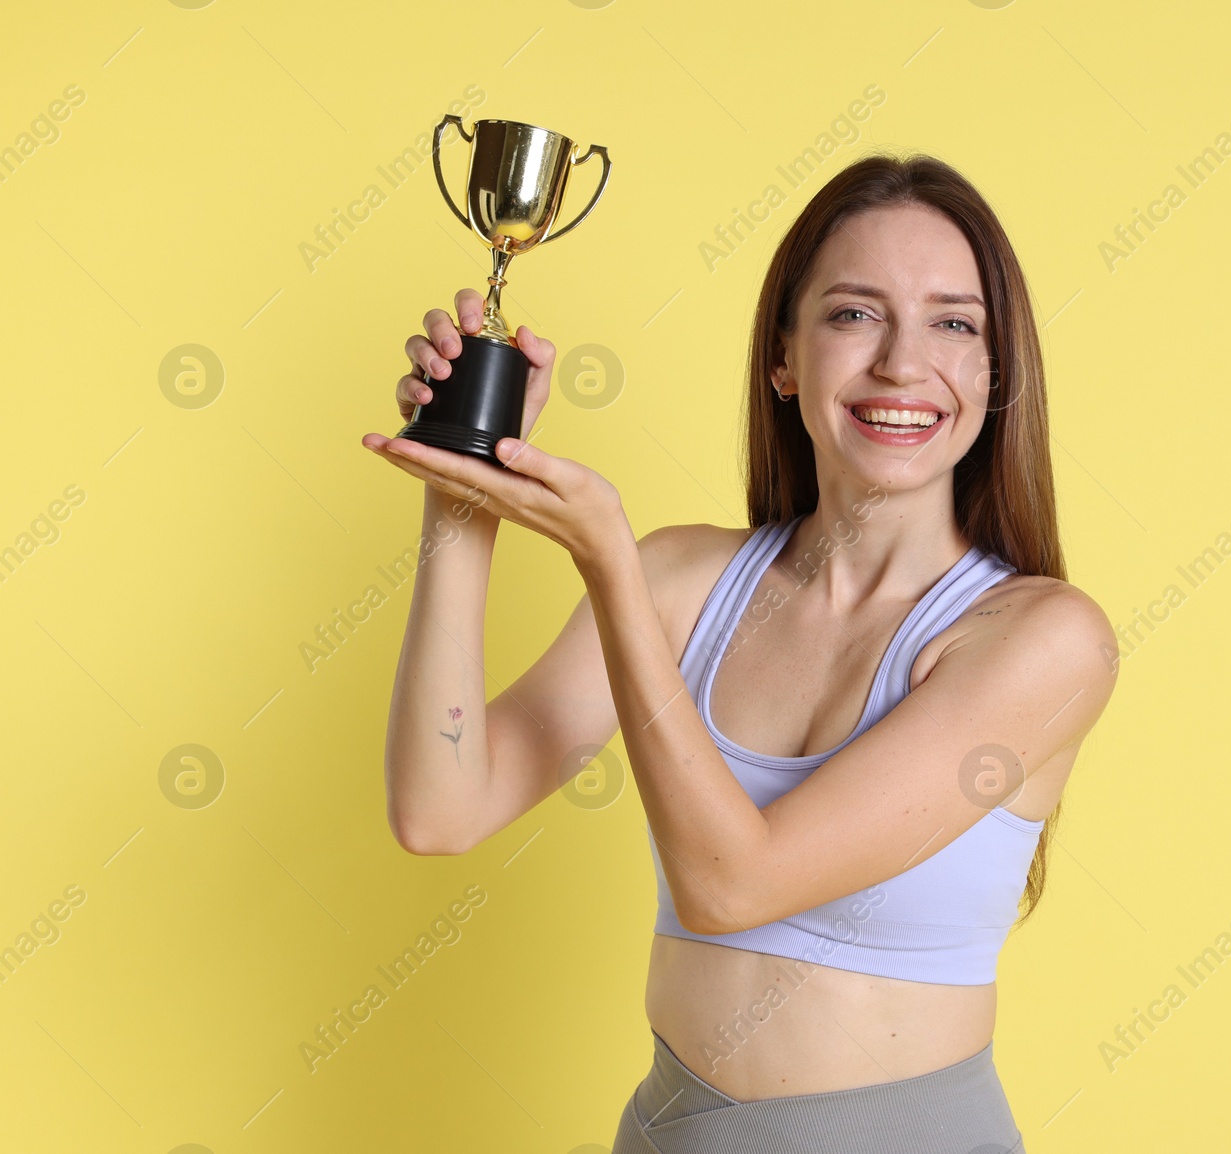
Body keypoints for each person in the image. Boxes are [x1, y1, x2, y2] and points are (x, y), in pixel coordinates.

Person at [364, 152, 1118, 1153]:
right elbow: (441, 807)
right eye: (853, 314)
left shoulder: (1040, 639)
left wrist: (605, 564)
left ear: (996, 371)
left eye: (953, 323)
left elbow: (733, 885)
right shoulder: (683, 581)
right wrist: (460, 500)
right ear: (783, 356)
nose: (900, 362)